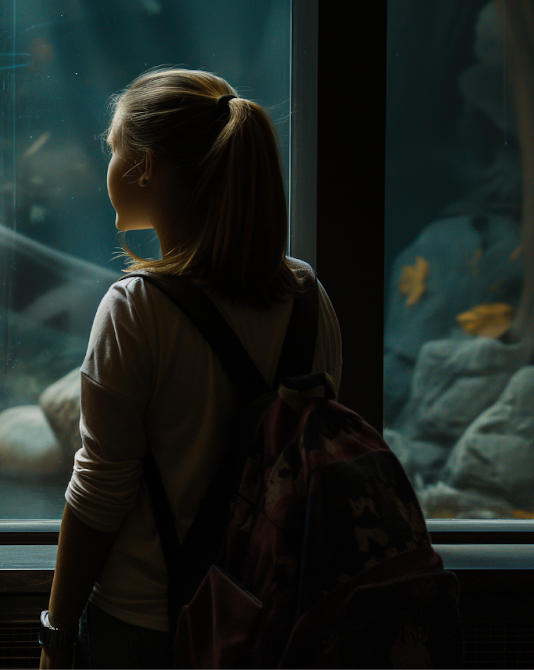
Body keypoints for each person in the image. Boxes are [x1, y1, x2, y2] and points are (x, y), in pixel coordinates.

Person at [38, 69, 342, 670]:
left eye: (115, 149)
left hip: (147, 626)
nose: (110, 166)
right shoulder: (310, 300)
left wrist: (57, 629)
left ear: (145, 167)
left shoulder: (135, 309)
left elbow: (100, 494)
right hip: (275, 621)